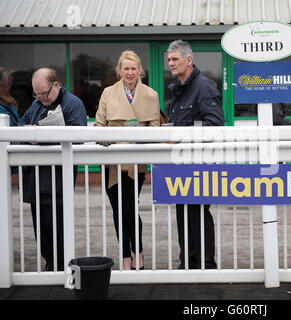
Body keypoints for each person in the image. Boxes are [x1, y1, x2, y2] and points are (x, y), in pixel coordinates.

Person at [95, 50, 160, 270]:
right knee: (117, 209)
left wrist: (141, 139)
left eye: (134, 68)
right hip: (113, 161)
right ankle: (125, 255)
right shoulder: (107, 93)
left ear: (140, 70)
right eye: (126, 68)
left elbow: (154, 127)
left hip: (135, 161)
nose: (130, 72)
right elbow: (99, 125)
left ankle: (138, 251)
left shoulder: (151, 94)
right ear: (119, 70)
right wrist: (104, 139)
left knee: (130, 208)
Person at [18, 68, 87, 271]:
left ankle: (59, 268)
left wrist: (39, 136)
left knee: (57, 230)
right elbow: (21, 124)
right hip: (36, 181)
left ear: (56, 85)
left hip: (57, 182)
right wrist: (27, 133)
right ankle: (51, 265)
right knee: (41, 231)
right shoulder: (36, 104)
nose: (41, 98)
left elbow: (78, 136)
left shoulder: (73, 104)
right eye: (36, 94)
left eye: (45, 93)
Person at [166, 40, 224, 269]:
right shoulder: (179, 88)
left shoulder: (203, 86)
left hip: (200, 161)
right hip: (181, 162)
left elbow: (215, 124)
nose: (170, 63)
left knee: (199, 213)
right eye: (169, 60)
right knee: (184, 213)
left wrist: (188, 138)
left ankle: (206, 264)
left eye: (175, 59)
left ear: (188, 60)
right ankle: (187, 263)